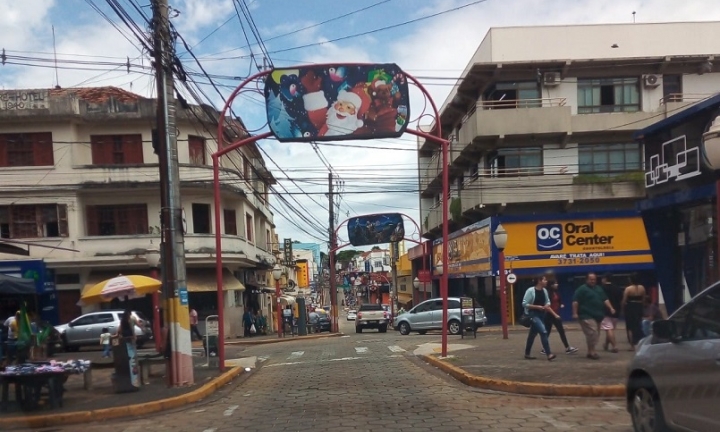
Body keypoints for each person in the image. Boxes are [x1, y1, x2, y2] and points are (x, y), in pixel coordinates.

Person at [572, 273, 616, 360]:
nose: (593, 281)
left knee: (594, 334)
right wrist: (575, 313)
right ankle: (592, 352)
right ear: (586, 280)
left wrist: (611, 308)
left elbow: (605, 299)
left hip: (598, 316)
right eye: (591, 279)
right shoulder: (582, 289)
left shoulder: (599, 289)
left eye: (594, 279)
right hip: (585, 315)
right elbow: (575, 301)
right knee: (593, 332)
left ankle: (590, 351)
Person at [521, 276, 557, 361]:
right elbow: (524, 303)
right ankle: (549, 354)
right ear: (539, 281)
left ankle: (527, 353)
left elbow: (548, 301)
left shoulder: (544, 291)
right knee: (543, 331)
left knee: (532, 334)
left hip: (541, 314)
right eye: (544, 280)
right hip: (532, 314)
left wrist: (546, 305)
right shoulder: (530, 291)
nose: (546, 281)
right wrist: (537, 307)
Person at [542, 280, 578, 355]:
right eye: (555, 283)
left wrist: (561, 304)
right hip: (550, 315)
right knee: (548, 332)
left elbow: (559, 300)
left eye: (557, 283)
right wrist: (554, 314)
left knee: (561, 331)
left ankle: (567, 347)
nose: (557, 284)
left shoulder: (556, 292)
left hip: (556, 314)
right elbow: (547, 305)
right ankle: (545, 348)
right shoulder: (548, 293)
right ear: (551, 285)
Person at [600, 273, 624, 353]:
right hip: (616, 311)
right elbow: (621, 300)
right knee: (610, 328)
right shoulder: (617, 288)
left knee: (609, 329)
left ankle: (614, 346)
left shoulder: (601, 289)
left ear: (605, 279)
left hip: (605, 311)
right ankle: (606, 345)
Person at [623, 274, 647, 349]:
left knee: (630, 326)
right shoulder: (642, 288)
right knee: (638, 325)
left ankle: (632, 345)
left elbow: (624, 300)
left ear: (631, 280)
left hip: (630, 307)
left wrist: (623, 308)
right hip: (639, 306)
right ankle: (640, 342)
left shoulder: (628, 289)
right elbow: (644, 299)